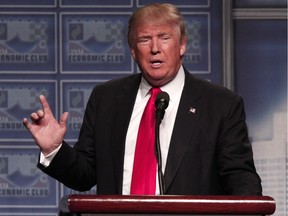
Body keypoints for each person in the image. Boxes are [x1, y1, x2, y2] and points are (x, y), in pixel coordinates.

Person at [23, 3, 262, 195]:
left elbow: (240, 178)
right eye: (144, 40)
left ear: (182, 45)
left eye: (164, 37)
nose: (155, 48)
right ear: (133, 51)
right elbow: (85, 175)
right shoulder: (106, 98)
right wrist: (54, 149)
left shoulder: (220, 105)